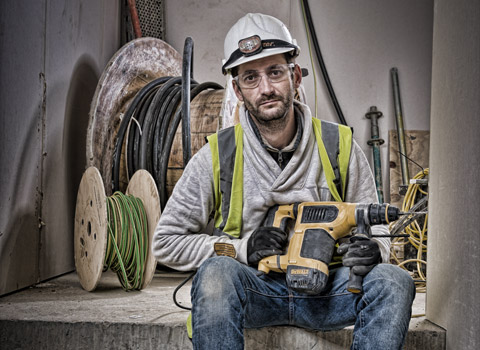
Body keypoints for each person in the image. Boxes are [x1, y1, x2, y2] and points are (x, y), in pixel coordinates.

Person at [153, 13, 415, 350]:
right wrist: (243, 248)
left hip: (331, 293)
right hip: (254, 293)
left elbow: (375, 229)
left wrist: (374, 251)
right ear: (237, 89)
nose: (265, 89)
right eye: (251, 77)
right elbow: (166, 242)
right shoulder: (217, 156)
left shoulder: (340, 146)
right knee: (216, 275)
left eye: (274, 72)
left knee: (393, 280)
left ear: (294, 75)